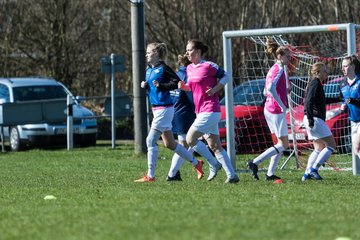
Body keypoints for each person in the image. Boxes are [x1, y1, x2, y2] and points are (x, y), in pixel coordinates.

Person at [134, 42, 204, 182]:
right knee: (170, 144)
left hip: (164, 109)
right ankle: (197, 163)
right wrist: (146, 86)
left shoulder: (164, 68)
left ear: (156, 53)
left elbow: (176, 82)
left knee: (150, 140)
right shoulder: (148, 70)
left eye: (148, 52)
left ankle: (151, 176)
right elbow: (153, 89)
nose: (146, 55)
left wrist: (161, 85)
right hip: (157, 109)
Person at [179, 39, 239, 183]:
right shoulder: (189, 68)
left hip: (211, 110)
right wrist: (184, 87)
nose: (187, 53)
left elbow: (227, 76)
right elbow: (192, 87)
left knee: (190, 139)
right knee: (215, 145)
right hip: (200, 111)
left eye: (189, 50)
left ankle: (213, 163)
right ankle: (232, 176)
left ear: (198, 52)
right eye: (186, 50)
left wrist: (215, 89)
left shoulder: (209, 66)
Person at [166, 54, 222, 181]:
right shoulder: (189, 75)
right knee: (187, 143)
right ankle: (173, 173)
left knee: (187, 143)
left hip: (176, 114)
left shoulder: (175, 75)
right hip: (186, 113)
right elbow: (193, 98)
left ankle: (174, 173)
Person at [247, 38, 290, 181]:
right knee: (283, 144)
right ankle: (255, 162)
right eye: (287, 56)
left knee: (279, 144)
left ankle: (270, 173)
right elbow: (270, 89)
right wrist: (282, 104)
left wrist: (284, 90)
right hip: (276, 111)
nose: (289, 59)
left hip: (269, 109)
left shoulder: (272, 69)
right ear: (280, 56)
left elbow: (266, 91)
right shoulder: (278, 69)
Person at [301, 62, 338, 181]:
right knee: (331, 145)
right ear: (317, 72)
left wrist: (339, 99)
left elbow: (322, 100)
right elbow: (308, 102)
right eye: (324, 70)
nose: (327, 72)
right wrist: (311, 119)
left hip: (312, 119)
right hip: (315, 119)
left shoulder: (316, 84)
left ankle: (306, 174)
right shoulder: (315, 83)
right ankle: (314, 170)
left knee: (319, 147)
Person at [340, 56, 360, 175]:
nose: (343, 68)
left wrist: (352, 101)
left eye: (346, 66)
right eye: (342, 66)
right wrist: (344, 105)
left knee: (357, 146)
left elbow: (351, 100)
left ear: (352, 66)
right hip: (353, 120)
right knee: (356, 149)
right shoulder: (343, 84)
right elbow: (344, 99)